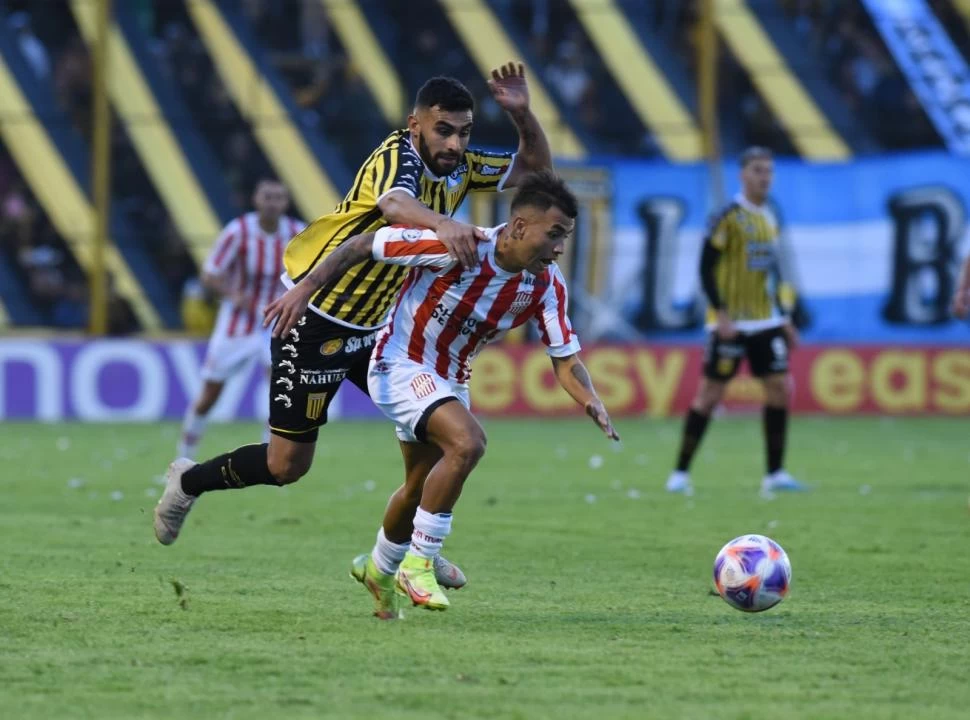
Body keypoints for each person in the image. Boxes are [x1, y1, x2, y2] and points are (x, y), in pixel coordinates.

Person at [154, 64, 552, 591]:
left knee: (441, 435)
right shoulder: (397, 157)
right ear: (416, 125)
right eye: (444, 130)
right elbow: (393, 205)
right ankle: (188, 480)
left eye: (464, 132)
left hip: (381, 327)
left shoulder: (460, 167)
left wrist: (523, 115)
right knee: (286, 465)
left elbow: (536, 174)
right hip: (317, 316)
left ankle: (416, 553)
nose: (455, 143)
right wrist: (443, 223)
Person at [264, 170, 619, 618]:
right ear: (519, 227)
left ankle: (378, 567)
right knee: (469, 442)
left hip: (450, 381)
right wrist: (305, 289)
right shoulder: (457, 246)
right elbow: (362, 245)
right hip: (398, 363)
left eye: (565, 236)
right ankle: (420, 561)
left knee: (417, 488)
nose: (560, 247)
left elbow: (564, 359)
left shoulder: (545, 284)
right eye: (554, 234)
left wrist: (591, 401)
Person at [666, 147, 805, 496]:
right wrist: (721, 312)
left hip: (765, 320)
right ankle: (679, 474)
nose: (765, 178)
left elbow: (769, 273)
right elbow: (705, 267)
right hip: (729, 322)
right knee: (710, 395)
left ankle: (775, 474)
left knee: (779, 389)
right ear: (743, 174)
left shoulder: (771, 215)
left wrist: (784, 317)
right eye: (758, 171)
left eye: (769, 171)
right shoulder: (726, 216)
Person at [176, 179, 304, 460]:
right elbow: (210, 274)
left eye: (278, 198)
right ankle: (185, 452)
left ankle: (269, 454)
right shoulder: (238, 232)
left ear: (286, 202)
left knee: (278, 387)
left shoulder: (298, 233)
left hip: (276, 320)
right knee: (210, 392)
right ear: (256, 200)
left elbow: (310, 274)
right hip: (237, 324)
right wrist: (233, 294)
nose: (272, 203)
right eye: (267, 197)